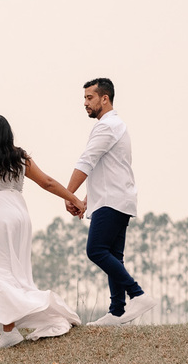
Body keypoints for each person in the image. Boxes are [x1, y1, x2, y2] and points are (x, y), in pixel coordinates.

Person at [0, 115, 84, 348]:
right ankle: (12, 325)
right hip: (21, 217)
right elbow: (47, 182)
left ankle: (10, 331)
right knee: (14, 272)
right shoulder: (21, 157)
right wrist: (74, 198)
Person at [65, 78, 155, 326]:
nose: (85, 103)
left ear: (105, 98)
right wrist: (84, 199)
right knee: (114, 255)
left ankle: (138, 294)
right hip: (116, 198)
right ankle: (116, 311)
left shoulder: (107, 126)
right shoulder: (116, 126)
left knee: (96, 250)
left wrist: (68, 194)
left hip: (112, 201)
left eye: (89, 98)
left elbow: (87, 161)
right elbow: (107, 170)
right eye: (84, 98)